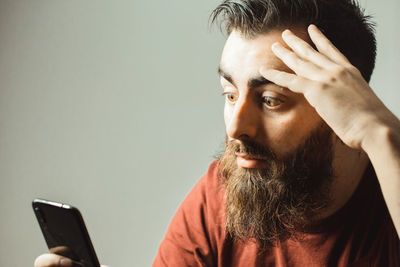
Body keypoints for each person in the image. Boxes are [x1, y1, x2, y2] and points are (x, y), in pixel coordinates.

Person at [35, 0, 400, 266]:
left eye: (271, 100)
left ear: (345, 109)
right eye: (230, 94)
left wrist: (380, 132)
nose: (235, 127)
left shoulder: (388, 197)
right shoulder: (223, 194)